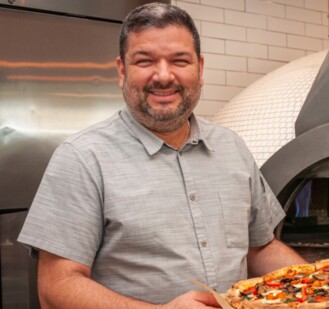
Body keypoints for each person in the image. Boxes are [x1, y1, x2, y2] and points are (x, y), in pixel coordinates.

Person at [17, 3, 306, 308]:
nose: (164, 76)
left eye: (180, 60)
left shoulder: (232, 147)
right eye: (145, 61)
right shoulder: (82, 158)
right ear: (121, 70)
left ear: (200, 68)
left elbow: (259, 248)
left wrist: (322, 284)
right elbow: (56, 287)